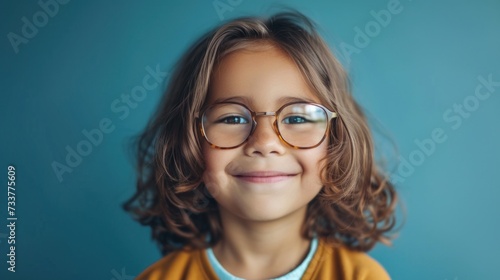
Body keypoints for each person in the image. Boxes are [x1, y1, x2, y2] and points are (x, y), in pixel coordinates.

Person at [124, 10, 398, 280]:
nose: (265, 142)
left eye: (297, 117)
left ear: (336, 141)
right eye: (231, 118)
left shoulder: (361, 276)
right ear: (188, 142)